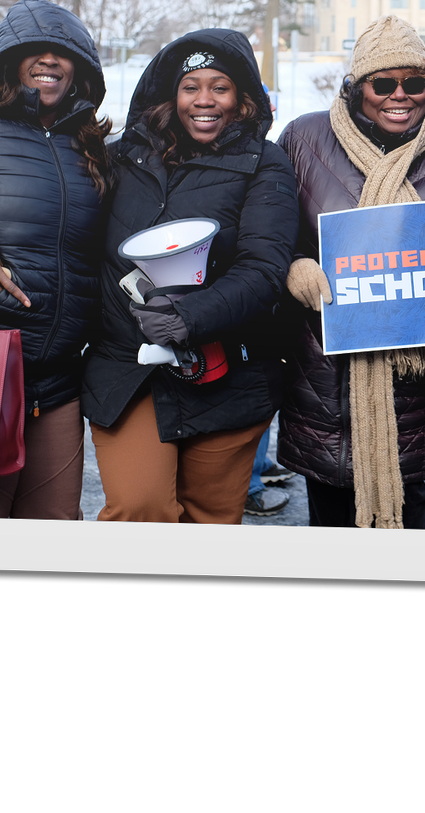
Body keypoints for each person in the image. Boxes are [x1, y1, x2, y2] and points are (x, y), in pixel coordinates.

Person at [279, 16, 425, 529]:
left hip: (412, 388)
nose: (400, 95)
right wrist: (293, 265)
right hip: (323, 377)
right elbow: (265, 234)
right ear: (356, 87)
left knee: (406, 520)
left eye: (414, 82)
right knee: (329, 529)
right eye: (383, 82)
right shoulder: (303, 139)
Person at [82, 29, 298, 523]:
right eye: (191, 86)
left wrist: (187, 316)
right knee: (140, 508)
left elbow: (265, 268)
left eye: (220, 87)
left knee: (209, 521)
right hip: (128, 368)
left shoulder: (265, 165)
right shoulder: (122, 158)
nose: (205, 100)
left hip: (229, 373)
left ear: (242, 97)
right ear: (169, 94)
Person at [0, 0, 110, 518]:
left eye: (63, 52)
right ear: (7, 60)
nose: (50, 60)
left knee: (51, 534)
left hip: (57, 383)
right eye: (34, 50)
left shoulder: (92, 149)